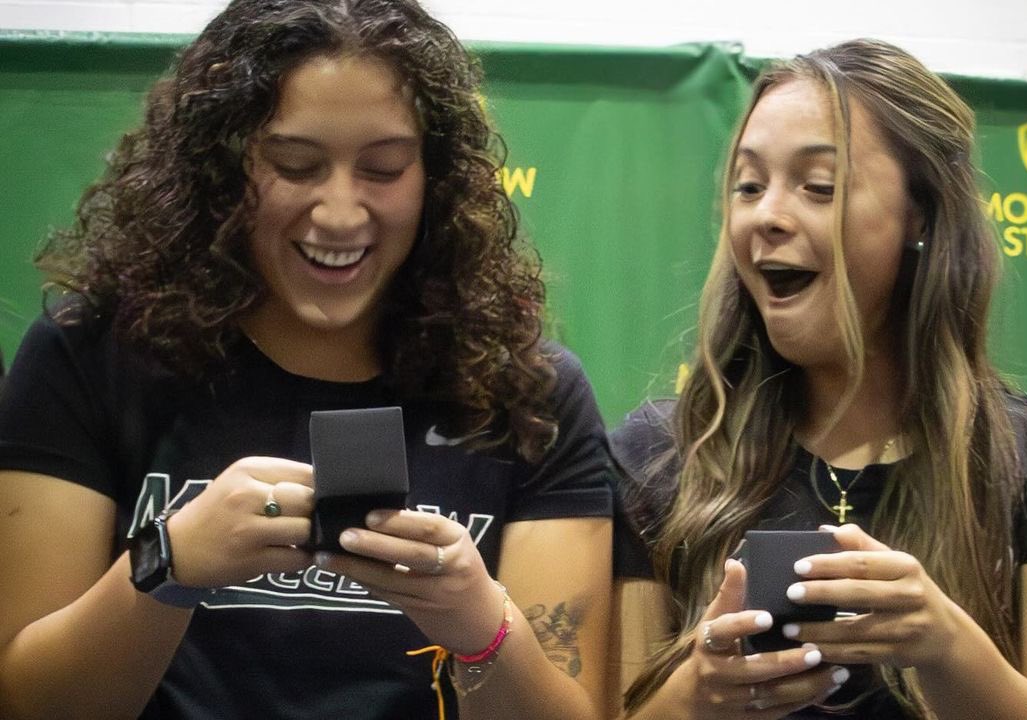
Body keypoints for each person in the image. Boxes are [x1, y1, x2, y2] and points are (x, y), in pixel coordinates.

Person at [0, 2, 614, 719]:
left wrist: (479, 627)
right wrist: (170, 566)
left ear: (436, 176)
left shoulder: (529, 393)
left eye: (384, 169)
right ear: (223, 166)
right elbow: (29, 701)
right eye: (295, 165)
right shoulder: (89, 357)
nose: (341, 214)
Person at [609, 39, 1027, 719]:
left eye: (818, 187)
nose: (766, 215)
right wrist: (695, 697)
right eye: (748, 185)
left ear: (919, 215)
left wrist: (947, 647)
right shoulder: (657, 456)